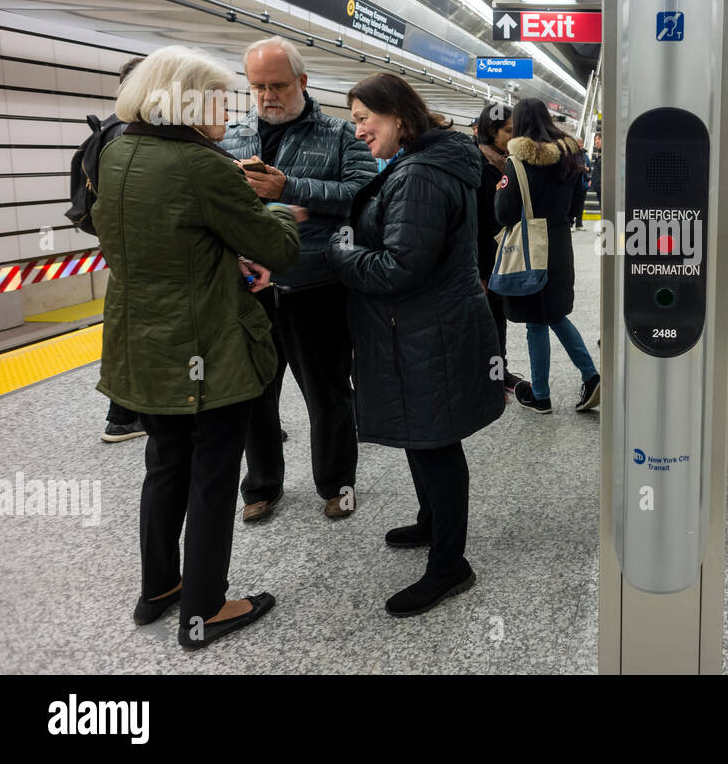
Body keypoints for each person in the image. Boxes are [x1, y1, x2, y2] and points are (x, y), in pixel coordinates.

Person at [93, 45, 302, 649]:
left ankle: (158, 588)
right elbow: (277, 244)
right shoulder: (203, 166)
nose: (226, 110)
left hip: (144, 344)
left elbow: (168, 239)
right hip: (204, 347)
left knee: (165, 465)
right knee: (213, 474)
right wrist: (281, 211)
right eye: (217, 98)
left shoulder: (119, 151)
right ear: (184, 101)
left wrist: (219, 252)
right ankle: (204, 610)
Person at [325, 73, 504, 616]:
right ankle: (431, 523)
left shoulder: (420, 175)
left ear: (398, 116)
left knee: (435, 444)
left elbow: (400, 267)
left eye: (363, 119)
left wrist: (341, 250)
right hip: (428, 326)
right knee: (423, 435)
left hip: (429, 330)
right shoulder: (426, 160)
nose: (357, 131)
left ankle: (451, 566)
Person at [219, 36, 377, 523]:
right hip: (251, 291)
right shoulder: (232, 136)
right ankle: (261, 485)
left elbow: (363, 192)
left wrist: (291, 188)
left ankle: (337, 484)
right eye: (258, 86)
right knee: (255, 393)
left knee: (327, 392)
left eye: (279, 85)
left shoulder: (338, 134)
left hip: (317, 285)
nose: (268, 95)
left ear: (302, 82)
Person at [495, 99, 600, 414]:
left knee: (536, 322)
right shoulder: (570, 156)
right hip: (559, 241)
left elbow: (504, 212)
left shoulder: (518, 161)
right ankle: (591, 376)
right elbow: (578, 199)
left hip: (531, 246)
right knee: (553, 314)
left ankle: (541, 394)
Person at [86, 56, 147, 443]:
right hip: (142, 248)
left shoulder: (109, 128)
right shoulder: (130, 134)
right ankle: (123, 415)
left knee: (127, 327)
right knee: (138, 331)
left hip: (122, 245)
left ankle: (123, 412)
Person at [474, 101, 526, 397]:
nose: (512, 136)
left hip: (500, 256)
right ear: (491, 131)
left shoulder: (505, 163)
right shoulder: (480, 167)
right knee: (485, 322)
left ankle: (498, 373)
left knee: (497, 320)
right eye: (508, 131)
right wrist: (481, 269)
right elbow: (479, 223)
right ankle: (486, 378)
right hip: (484, 260)